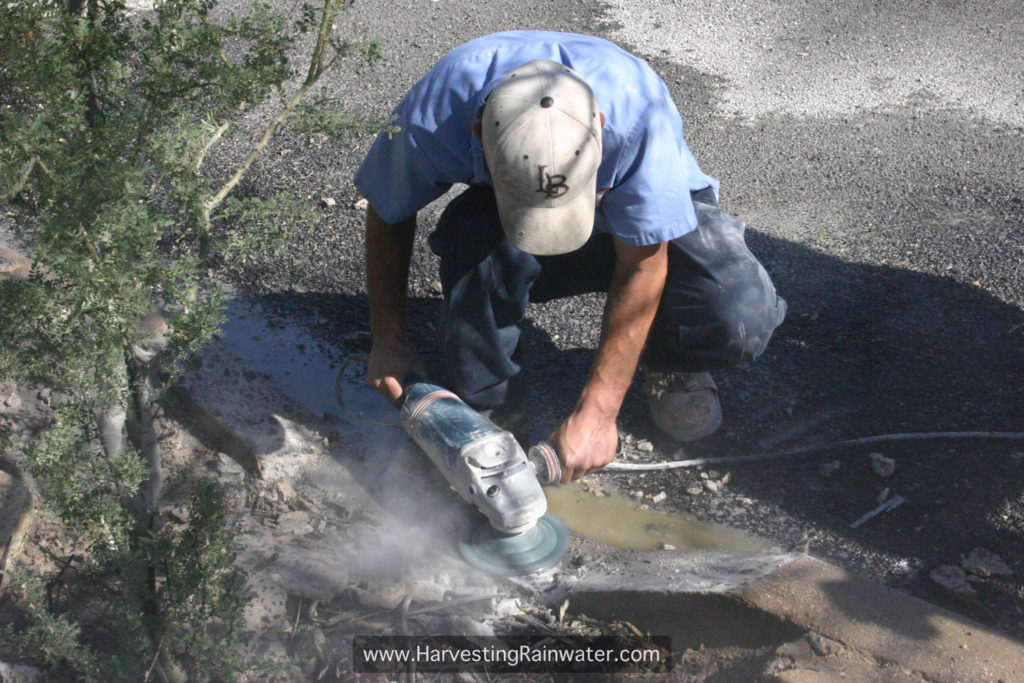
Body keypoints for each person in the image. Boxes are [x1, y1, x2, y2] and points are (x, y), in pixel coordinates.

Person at [354, 31, 786, 482]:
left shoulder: (638, 111)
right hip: (504, 215)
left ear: (599, 124)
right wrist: (388, 339)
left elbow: (644, 261)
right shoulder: (435, 112)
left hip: (637, 205)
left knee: (737, 309)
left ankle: (669, 361)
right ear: (480, 133)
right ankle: (490, 412)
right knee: (470, 242)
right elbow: (389, 209)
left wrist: (599, 413)